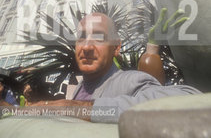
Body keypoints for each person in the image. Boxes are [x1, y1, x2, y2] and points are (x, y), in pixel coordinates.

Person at [24, 12, 200, 123]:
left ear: (116, 48)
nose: (86, 47)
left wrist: (75, 107)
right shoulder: (79, 87)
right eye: (81, 38)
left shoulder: (131, 80)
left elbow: (189, 98)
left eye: (99, 38)